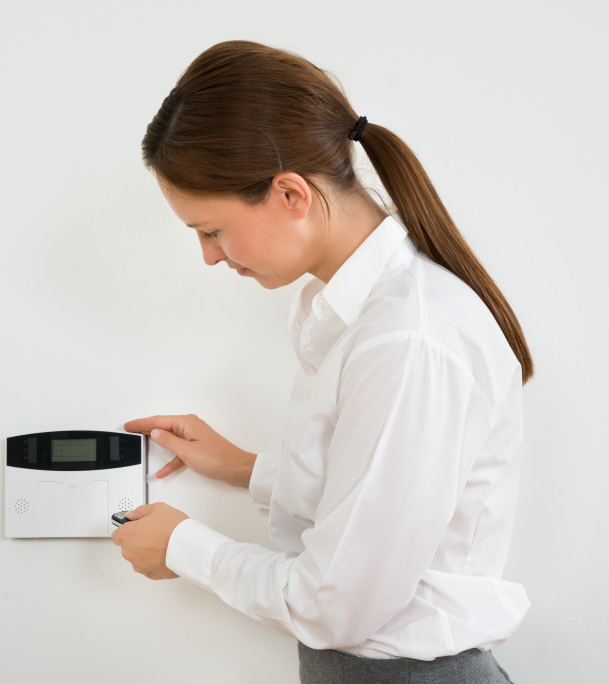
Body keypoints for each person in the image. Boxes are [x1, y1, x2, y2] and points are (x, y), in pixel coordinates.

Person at [111, 40, 532, 683]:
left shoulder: (405, 339)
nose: (208, 256)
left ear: (290, 195)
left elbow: (339, 605)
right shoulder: (364, 316)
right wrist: (244, 469)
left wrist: (183, 546)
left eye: (212, 230)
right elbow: (370, 502)